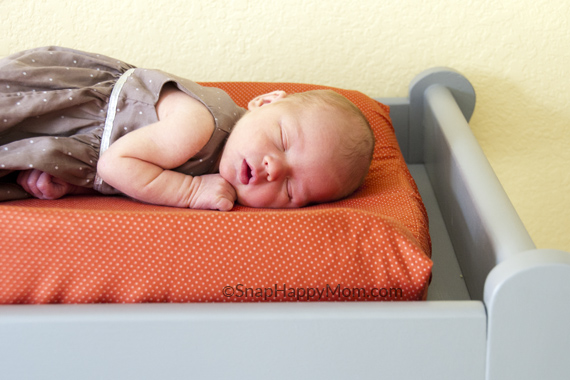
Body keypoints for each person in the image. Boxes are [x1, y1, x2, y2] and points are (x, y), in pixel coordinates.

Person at [1, 46, 374, 210]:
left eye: (292, 190)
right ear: (263, 101)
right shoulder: (199, 126)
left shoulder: (224, 159)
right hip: (57, 108)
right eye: (283, 140)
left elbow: (120, 174)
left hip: (70, 137)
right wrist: (190, 191)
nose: (275, 169)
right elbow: (115, 165)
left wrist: (66, 179)